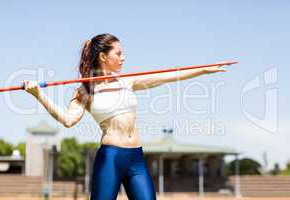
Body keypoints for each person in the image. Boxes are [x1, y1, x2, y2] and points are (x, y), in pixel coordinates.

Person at [23, 33, 227, 200]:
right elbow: (68, 120)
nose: (123, 58)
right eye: (118, 53)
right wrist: (38, 94)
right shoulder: (85, 91)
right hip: (111, 157)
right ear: (103, 56)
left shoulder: (128, 81)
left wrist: (203, 70)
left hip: (136, 158)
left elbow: (169, 76)